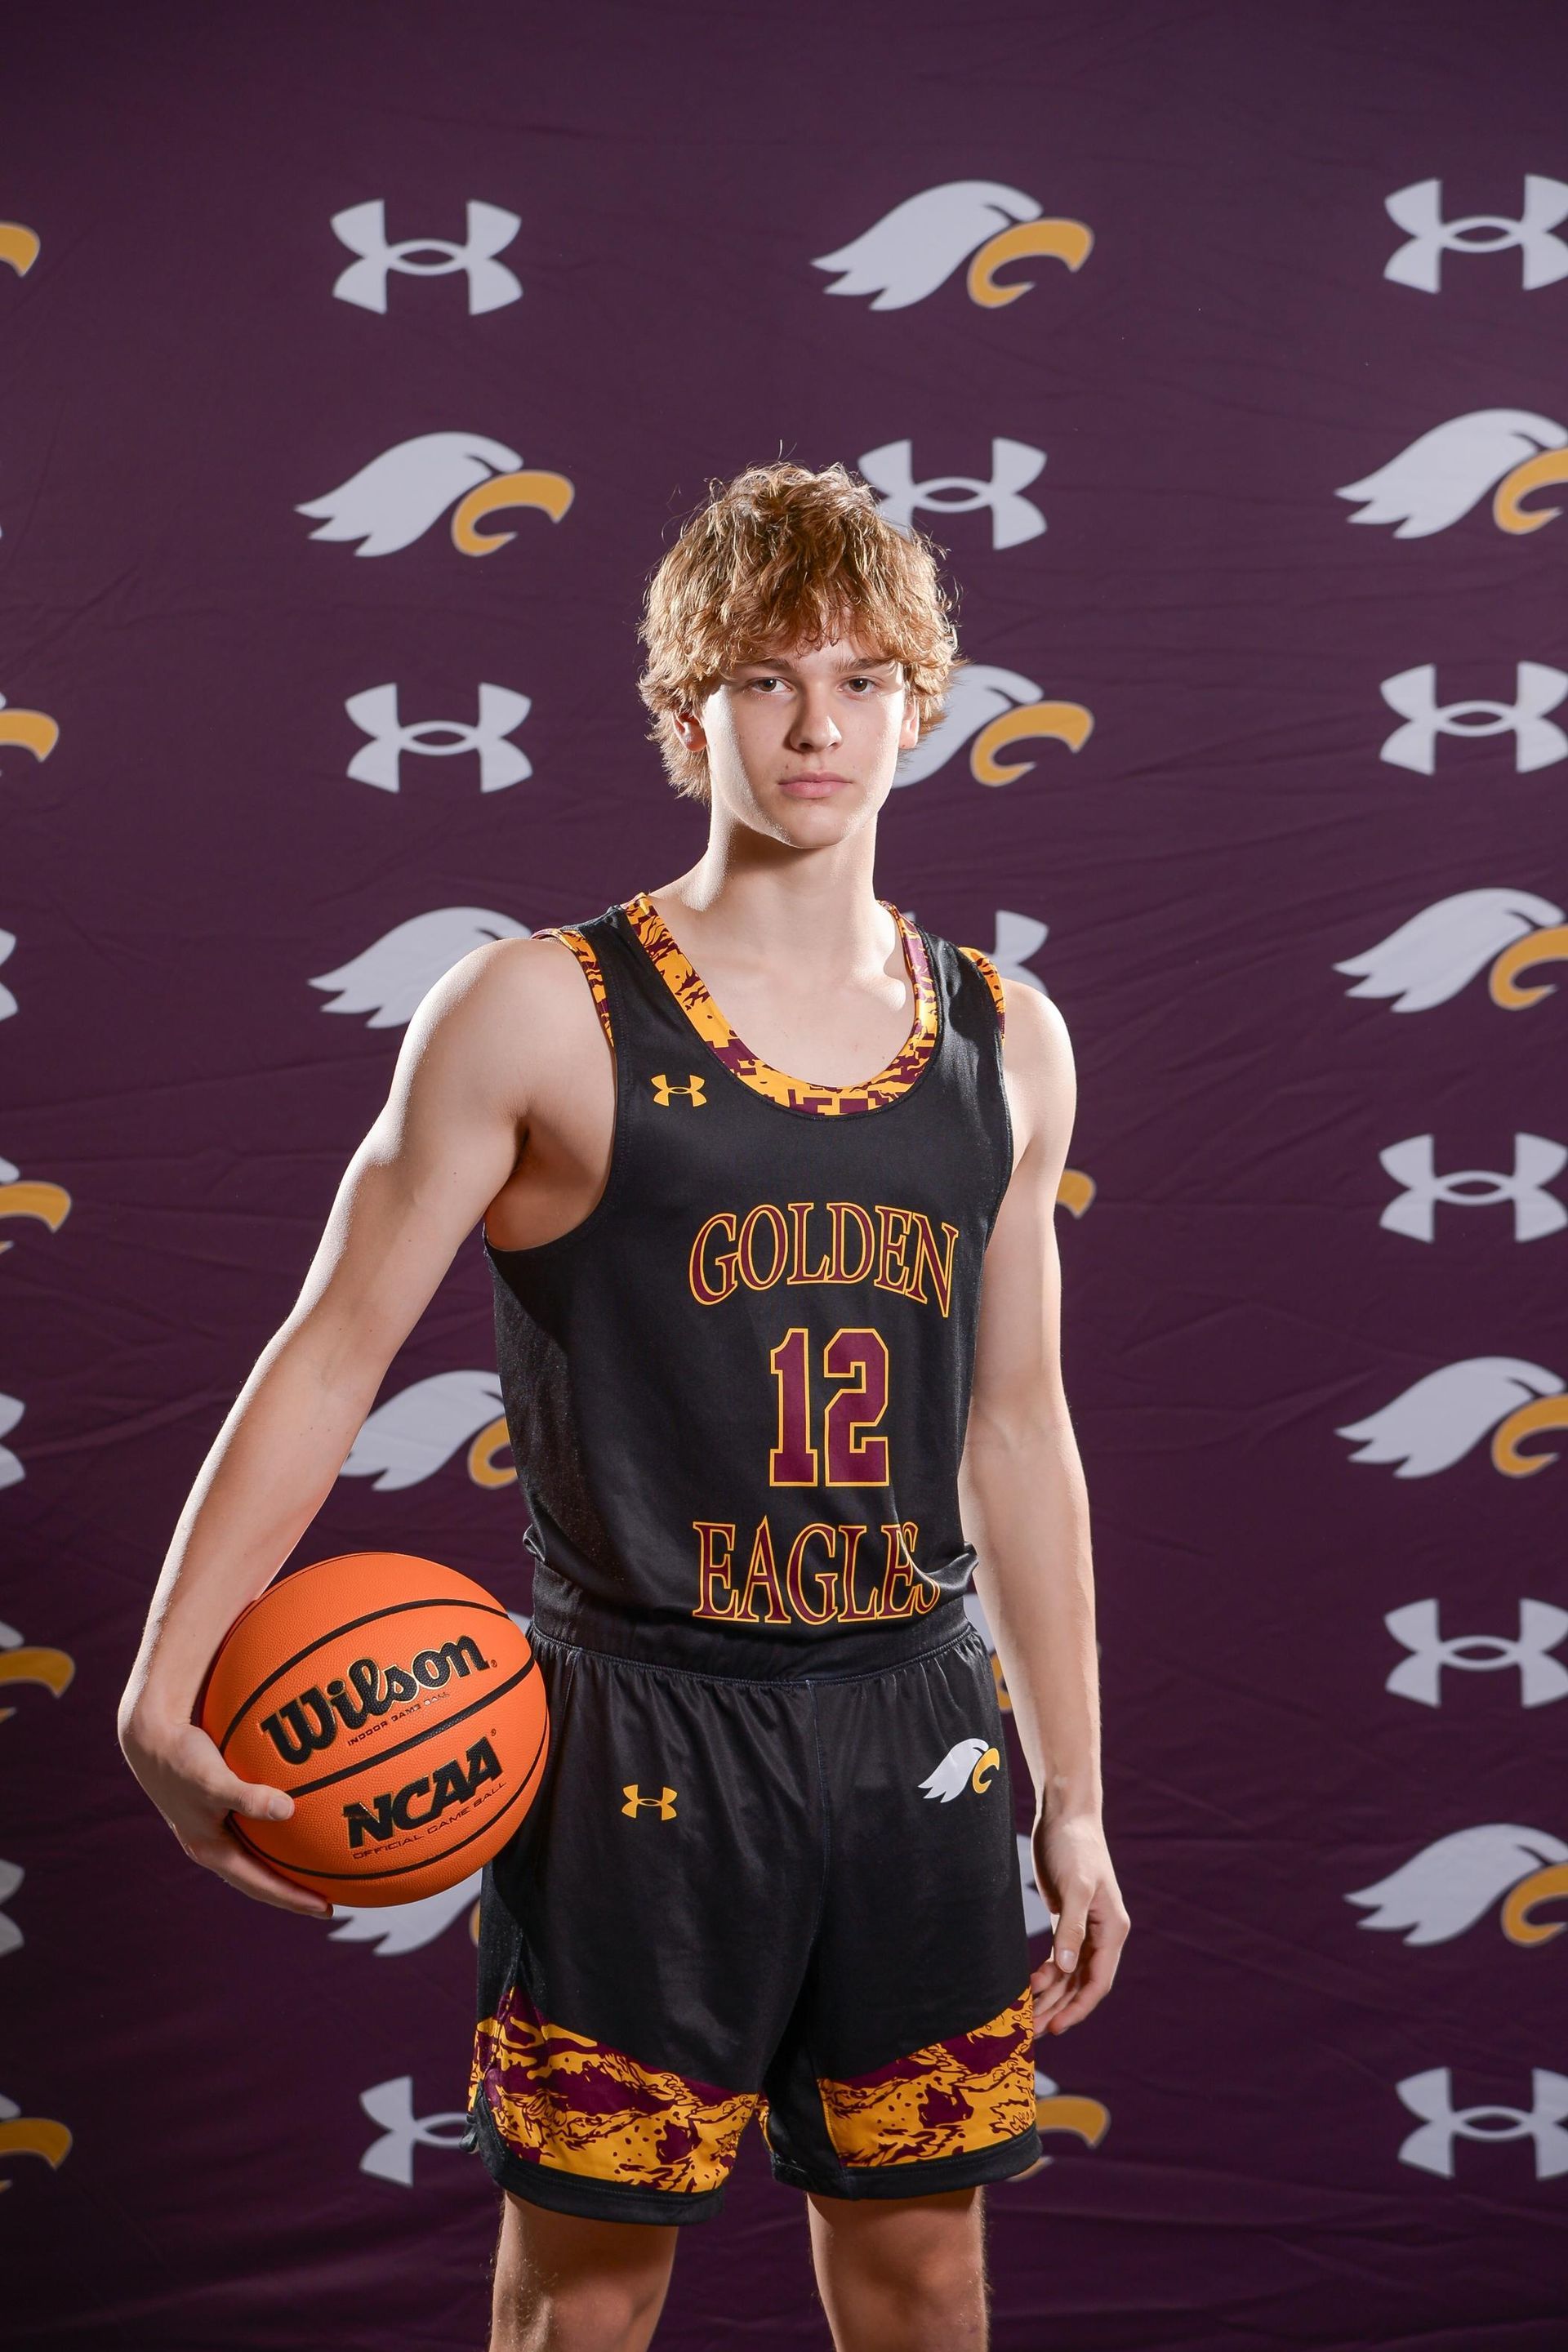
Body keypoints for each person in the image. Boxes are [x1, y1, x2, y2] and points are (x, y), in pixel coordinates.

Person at [118, 460, 1129, 2351]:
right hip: (635, 1738)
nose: (816, 722)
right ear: (686, 712)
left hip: (917, 1726)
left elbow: (1016, 1424)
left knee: (925, 2271)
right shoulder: (537, 1009)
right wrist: (160, 1692)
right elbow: (331, 1347)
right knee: (584, 2295)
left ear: (927, 702)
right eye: (762, 676)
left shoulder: (1008, 1032)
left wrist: (1074, 1800)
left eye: (858, 675)